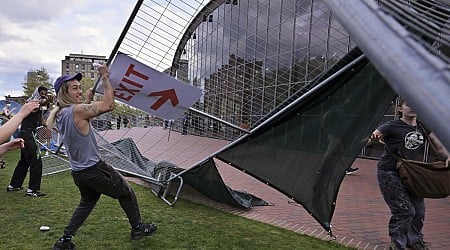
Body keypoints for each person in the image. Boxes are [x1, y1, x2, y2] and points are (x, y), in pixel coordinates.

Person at [47, 64, 157, 250]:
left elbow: (81, 117)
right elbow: (109, 105)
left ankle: (65, 240)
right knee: (126, 192)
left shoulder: (60, 114)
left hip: (79, 173)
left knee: (87, 202)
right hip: (94, 170)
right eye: (74, 88)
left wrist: (87, 99)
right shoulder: (76, 111)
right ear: (63, 93)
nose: (79, 90)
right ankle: (137, 228)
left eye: (79, 87)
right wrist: (105, 78)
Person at [370, 98, 449, 250]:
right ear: (400, 109)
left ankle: (413, 241)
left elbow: (439, 147)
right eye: (408, 105)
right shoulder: (391, 126)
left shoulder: (423, 126)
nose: (412, 108)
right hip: (389, 172)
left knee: (419, 211)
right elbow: (372, 137)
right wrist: (373, 139)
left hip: (411, 173)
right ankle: (397, 244)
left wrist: (448, 156)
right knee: (405, 210)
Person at [7, 86, 49, 197]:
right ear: (38, 93)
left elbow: (40, 120)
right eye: (42, 94)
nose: (44, 95)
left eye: (45, 93)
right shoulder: (32, 102)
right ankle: (32, 190)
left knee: (24, 160)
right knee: (36, 160)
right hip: (27, 133)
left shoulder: (38, 107)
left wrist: (50, 126)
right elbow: (37, 106)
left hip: (27, 133)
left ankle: (14, 185)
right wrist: (46, 100)